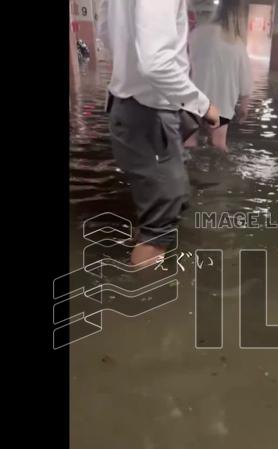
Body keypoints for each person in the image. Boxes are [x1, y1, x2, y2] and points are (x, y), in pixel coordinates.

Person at [98, 0, 221, 266]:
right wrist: (203, 105)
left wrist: (128, 68)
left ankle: (142, 266)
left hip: (129, 106)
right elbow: (156, 65)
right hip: (149, 113)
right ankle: (145, 289)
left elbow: (106, 30)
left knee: (164, 208)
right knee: (159, 227)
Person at [184, 0, 253, 152]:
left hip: (194, 101)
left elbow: (183, 64)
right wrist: (244, 107)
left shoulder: (197, 33)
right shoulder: (237, 44)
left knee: (189, 143)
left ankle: (187, 167)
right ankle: (222, 168)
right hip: (220, 105)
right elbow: (245, 81)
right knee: (219, 144)